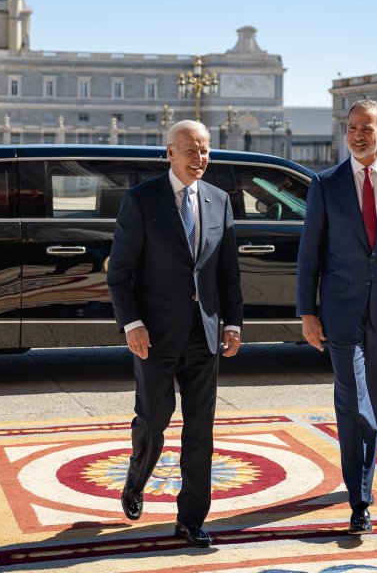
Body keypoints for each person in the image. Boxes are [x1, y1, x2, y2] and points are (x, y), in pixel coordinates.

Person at [296, 99, 377, 535]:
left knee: (371, 399)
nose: (357, 134)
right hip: (339, 312)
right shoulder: (326, 183)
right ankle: (360, 500)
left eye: (366, 128)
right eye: (352, 127)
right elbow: (309, 255)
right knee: (355, 401)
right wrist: (307, 312)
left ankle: (361, 485)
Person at [107, 120, 244, 548]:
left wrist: (234, 322)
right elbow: (120, 274)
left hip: (204, 336)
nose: (199, 159)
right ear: (169, 153)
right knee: (153, 421)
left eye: (205, 151)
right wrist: (132, 324)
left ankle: (191, 519)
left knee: (200, 429)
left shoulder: (219, 200)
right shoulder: (141, 200)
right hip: (153, 337)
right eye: (190, 150)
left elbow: (227, 271)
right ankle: (136, 480)